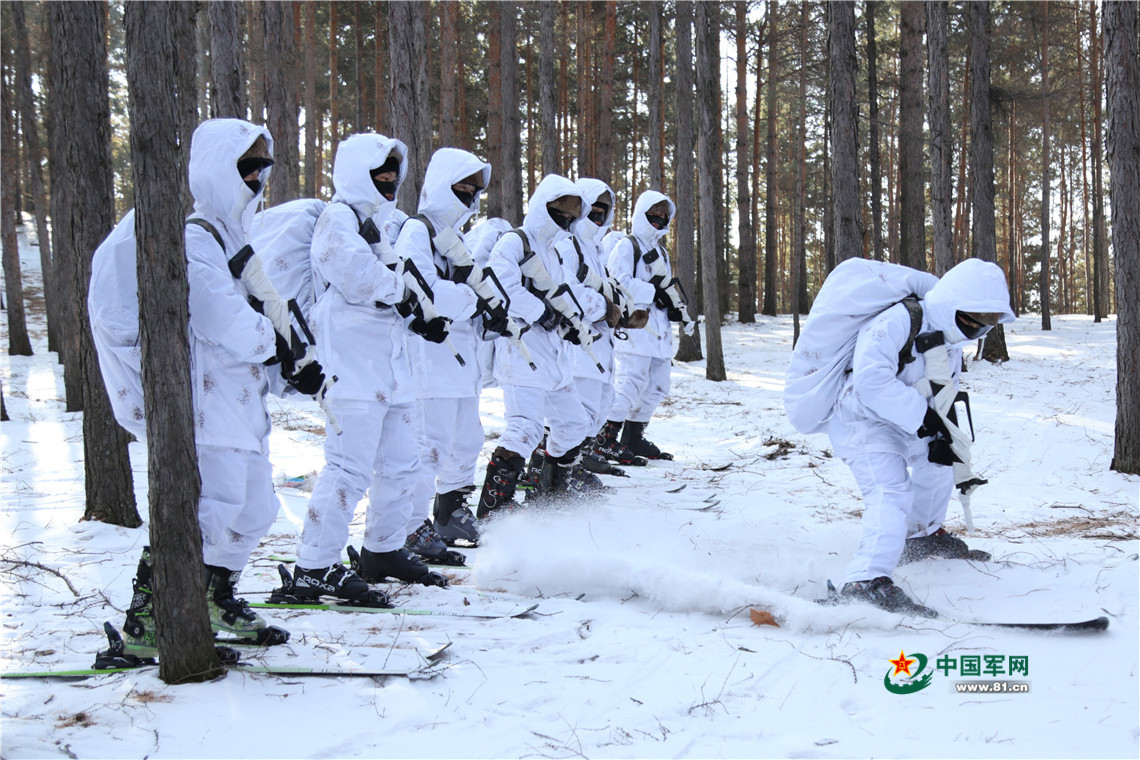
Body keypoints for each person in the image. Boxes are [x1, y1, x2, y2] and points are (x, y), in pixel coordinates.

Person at [121, 119, 313, 655]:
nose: (256, 178)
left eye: (262, 168)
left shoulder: (238, 239)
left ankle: (214, 596)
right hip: (208, 403)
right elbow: (220, 320)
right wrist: (274, 342)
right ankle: (147, 619)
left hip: (243, 405)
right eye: (246, 167)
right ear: (217, 170)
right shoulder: (194, 236)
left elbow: (265, 319)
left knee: (255, 510)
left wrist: (293, 366)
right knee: (211, 510)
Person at [290, 133, 445, 601]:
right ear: (358, 173)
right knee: (347, 469)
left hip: (388, 365)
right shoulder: (339, 217)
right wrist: (403, 295)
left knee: (401, 464)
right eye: (380, 174)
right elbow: (352, 271)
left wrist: (419, 312)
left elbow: (396, 279)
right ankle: (314, 565)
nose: (389, 182)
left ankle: (383, 548)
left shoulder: (377, 224)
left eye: (394, 175)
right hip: (350, 364)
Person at [829, 258, 1014, 615]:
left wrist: (944, 433)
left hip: (909, 419)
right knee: (889, 489)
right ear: (951, 304)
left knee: (939, 465)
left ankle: (920, 537)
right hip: (861, 419)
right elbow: (871, 382)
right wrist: (924, 420)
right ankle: (863, 581)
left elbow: (943, 389)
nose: (979, 329)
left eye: (988, 322)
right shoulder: (898, 321)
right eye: (974, 319)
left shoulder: (950, 338)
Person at [476, 175, 597, 515]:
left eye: (573, 214)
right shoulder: (515, 242)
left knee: (574, 424)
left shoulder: (555, 252)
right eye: (561, 211)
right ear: (544, 204)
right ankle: (494, 508)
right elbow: (499, 283)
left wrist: (574, 324)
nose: (567, 219)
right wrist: (539, 312)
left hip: (555, 355)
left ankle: (552, 494)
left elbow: (565, 293)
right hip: (521, 349)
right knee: (525, 428)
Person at [396, 148, 491, 552]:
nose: (468, 196)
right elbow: (425, 292)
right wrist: (471, 297)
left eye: (474, 189)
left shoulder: (457, 237)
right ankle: (408, 525)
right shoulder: (417, 231)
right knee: (429, 446)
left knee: (467, 440)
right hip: (430, 358)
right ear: (440, 186)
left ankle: (449, 511)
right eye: (461, 187)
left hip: (462, 361)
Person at [557, 179, 647, 476]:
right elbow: (567, 292)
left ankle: (577, 468)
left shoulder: (594, 249)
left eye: (602, 213)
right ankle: (556, 477)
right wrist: (607, 309)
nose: (597, 218)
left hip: (601, 348)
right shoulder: (565, 243)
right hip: (576, 347)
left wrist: (621, 315)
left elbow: (607, 290)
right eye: (591, 211)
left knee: (597, 412)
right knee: (574, 415)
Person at [598, 191, 682, 462]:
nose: (658, 222)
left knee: (658, 385)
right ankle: (606, 437)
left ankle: (634, 437)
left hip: (659, 332)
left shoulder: (661, 252)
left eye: (663, 218)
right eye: (653, 216)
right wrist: (651, 291)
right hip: (635, 328)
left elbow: (665, 286)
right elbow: (616, 280)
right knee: (630, 383)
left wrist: (673, 303)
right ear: (641, 216)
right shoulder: (627, 246)